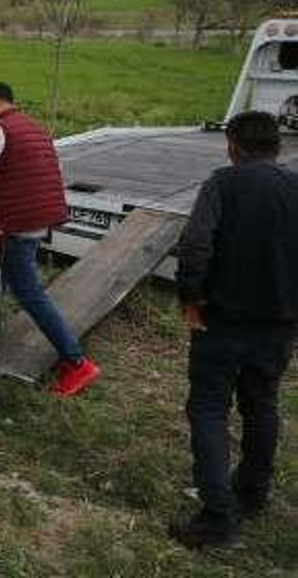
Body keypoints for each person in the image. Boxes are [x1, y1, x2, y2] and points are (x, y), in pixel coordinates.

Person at [169, 110, 298, 549]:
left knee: (208, 409)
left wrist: (190, 298)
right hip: (279, 326)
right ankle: (252, 494)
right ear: (276, 147)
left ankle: (217, 519)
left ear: (234, 144)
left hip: (222, 321)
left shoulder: (222, 184)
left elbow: (196, 244)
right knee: (262, 407)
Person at [0, 82, 100, 396]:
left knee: (30, 294)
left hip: (16, 227)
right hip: (35, 221)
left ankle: (78, 363)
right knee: (4, 282)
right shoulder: (32, 127)